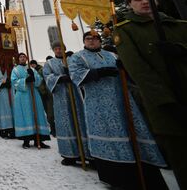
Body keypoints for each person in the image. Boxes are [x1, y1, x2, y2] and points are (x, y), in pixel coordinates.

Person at [68, 31, 167, 189]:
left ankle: (144, 171)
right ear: (84, 41)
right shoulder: (77, 57)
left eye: (95, 38)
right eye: (88, 39)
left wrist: (125, 67)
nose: (92, 41)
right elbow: (75, 75)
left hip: (122, 100)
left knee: (132, 132)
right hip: (99, 104)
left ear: (100, 40)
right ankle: (117, 177)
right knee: (108, 135)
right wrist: (98, 73)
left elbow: (132, 73)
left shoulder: (113, 56)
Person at [114, 0, 187, 189]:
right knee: (183, 161)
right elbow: (140, 73)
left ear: (156, 0)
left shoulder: (180, 25)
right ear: (129, 5)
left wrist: (181, 50)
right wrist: (167, 103)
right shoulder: (126, 31)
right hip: (167, 108)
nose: (144, 2)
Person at [43, 41, 90, 166]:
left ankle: (85, 152)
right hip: (61, 96)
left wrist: (70, 72)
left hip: (75, 94)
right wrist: (60, 78)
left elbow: (81, 71)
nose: (59, 50)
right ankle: (69, 154)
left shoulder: (72, 60)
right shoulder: (49, 63)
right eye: (56, 48)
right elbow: (47, 77)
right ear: (53, 50)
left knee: (80, 121)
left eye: (61, 48)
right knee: (65, 123)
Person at [11, 53, 50, 149]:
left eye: (24, 57)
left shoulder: (31, 69)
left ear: (26, 58)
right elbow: (14, 82)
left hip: (34, 94)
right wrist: (25, 80)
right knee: (26, 115)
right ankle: (26, 140)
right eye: (20, 57)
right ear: (18, 59)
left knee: (37, 114)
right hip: (23, 96)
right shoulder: (15, 70)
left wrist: (33, 76)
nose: (22, 58)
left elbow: (39, 81)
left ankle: (39, 140)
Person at [30, 59, 54, 136]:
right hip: (41, 93)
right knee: (47, 111)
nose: (32, 66)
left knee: (50, 112)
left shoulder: (41, 70)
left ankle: (54, 129)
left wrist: (44, 91)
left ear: (35, 64)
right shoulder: (34, 71)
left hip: (46, 93)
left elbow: (43, 82)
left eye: (32, 64)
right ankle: (52, 128)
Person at [0, 64, 14, 139]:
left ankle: (12, 131)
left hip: (10, 92)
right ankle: (3, 130)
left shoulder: (9, 72)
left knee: (11, 110)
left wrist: (10, 83)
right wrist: (2, 84)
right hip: (1, 93)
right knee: (3, 110)